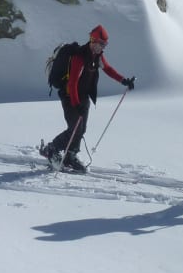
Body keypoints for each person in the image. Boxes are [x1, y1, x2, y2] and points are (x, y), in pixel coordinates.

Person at [40, 25, 135, 173]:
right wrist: (76, 104)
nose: (103, 47)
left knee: (81, 129)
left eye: (105, 44)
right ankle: (51, 149)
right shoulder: (79, 57)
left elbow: (108, 69)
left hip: (83, 97)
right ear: (93, 41)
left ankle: (70, 156)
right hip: (70, 96)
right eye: (102, 44)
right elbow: (72, 83)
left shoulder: (97, 56)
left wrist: (124, 81)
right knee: (75, 128)